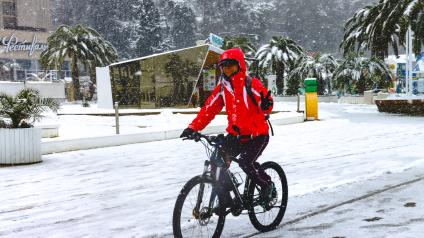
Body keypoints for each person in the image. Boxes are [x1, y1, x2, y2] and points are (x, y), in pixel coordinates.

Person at [180, 48, 275, 209]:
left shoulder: (250, 83)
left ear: (240, 65)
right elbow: (209, 108)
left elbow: (265, 100)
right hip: (236, 135)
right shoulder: (224, 88)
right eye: (223, 66)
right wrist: (193, 127)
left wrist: (266, 105)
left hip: (257, 135)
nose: (227, 69)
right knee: (216, 163)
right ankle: (228, 200)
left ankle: (266, 186)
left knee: (246, 162)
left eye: (231, 65)